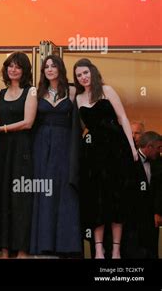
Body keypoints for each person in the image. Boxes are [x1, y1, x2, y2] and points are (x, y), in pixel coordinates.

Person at [73, 58, 138, 259]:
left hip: (116, 150)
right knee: (96, 201)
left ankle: (116, 249)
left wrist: (131, 147)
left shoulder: (107, 91)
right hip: (93, 155)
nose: (83, 77)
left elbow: (123, 118)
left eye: (85, 72)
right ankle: (99, 249)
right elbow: (80, 127)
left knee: (117, 200)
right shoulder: (78, 98)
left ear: (92, 71)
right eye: (78, 75)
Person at [0, 52, 37, 258]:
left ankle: (22, 252)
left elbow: (28, 122)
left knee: (20, 200)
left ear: (24, 71)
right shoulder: (0, 92)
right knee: (1, 199)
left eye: (18, 66)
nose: (13, 70)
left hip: (21, 151)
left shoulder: (30, 91)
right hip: (1, 152)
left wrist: (1, 129)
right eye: (10, 66)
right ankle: (5, 252)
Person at [29, 55, 81, 256]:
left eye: (53, 66)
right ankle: (44, 244)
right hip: (41, 145)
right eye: (46, 67)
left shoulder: (73, 90)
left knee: (65, 191)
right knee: (45, 191)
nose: (50, 69)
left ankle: (66, 245)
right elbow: (28, 120)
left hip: (66, 144)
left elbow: (81, 118)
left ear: (60, 68)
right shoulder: (37, 91)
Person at [122, 131, 162, 258]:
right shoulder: (129, 160)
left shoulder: (159, 162)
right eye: (158, 148)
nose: (160, 151)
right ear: (149, 146)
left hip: (151, 219)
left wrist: (158, 212)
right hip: (132, 219)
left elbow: (159, 190)